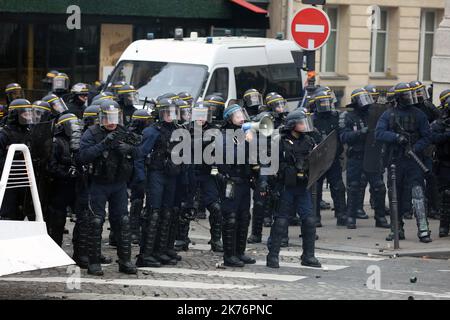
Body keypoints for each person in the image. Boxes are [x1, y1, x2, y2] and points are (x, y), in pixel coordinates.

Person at [79, 100, 138, 275]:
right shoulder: (92, 133)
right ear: (101, 118)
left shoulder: (124, 132)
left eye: (114, 118)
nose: (112, 122)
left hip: (119, 184)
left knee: (123, 221)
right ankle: (94, 262)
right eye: (108, 118)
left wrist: (129, 149)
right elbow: (83, 157)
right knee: (96, 221)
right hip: (99, 184)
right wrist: (104, 143)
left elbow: (140, 152)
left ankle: (125, 261)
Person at [375, 82, 432, 243]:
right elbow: (379, 133)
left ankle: (423, 228)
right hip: (395, 160)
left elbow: (427, 136)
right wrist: (396, 138)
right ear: (399, 98)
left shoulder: (419, 114)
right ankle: (396, 228)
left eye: (410, 94)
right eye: (406, 95)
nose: (410, 98)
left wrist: (415, 148)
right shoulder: (388, 114)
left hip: (414, 160)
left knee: (418, 194)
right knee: (395, 195)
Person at [266, 109, 321, 268]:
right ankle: (273, 256)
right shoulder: (280, 141)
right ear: (292, 125)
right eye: (301, 122)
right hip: (286, 187)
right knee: (282, 221)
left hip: (303, 187)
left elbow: (317, 159)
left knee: (309, 220)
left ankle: (308, 256)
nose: (304, 125)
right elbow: (270, 163)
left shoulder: (309, 140)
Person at [134, 98, 183, 267]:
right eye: (167, 112)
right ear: (160, 113)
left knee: (167, 213)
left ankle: (159, 251)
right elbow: (139, 156)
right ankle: (145, 254)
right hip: (156, 174)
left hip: (171, 175)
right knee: (153, 214)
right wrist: (140, 179)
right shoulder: (152, 131)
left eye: (173, 112)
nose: (170, 115)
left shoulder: (178, 130)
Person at [340, 88, 389, 229]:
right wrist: (359, 133)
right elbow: (343, 137)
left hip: (372, 156)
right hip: (356, 156)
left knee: (379, 187)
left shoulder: (374, 114)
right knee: (354, 187)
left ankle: (380, 218)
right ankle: (351, 217)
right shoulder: (347, 116)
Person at [218, 104, 256, 267]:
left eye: (242, 114)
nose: (241, 117)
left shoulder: (244, 133)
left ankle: (240, 252)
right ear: (229, 119)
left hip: (245, 180)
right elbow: (232, 156)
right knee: (231, 218)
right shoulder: (223, 135)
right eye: (237, 115)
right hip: (230, 181)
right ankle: (229, 255)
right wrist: (246, 142)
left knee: (244, 217)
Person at [311, 89, 347, 226]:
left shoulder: (335, 116)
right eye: (322, 103)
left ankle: (341, 214)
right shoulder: (312, 119)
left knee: (338, 187)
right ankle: (315, 217)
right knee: (316, 189)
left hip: (333, 157)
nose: (325, 105)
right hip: (318, 159)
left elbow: (341, 135)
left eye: (327, 102)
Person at [47, 113, 83, 246]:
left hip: (75, 186)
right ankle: (55, 247)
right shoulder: (56, 142)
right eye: (71, 124)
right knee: (57, 218)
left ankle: (80, 250)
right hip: (60, 186)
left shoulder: (79, 142)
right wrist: (66, 173)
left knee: (82, 218)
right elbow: (51, 166)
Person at [0, 99, 35, 220]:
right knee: (7, 216)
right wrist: (15, 156)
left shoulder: (29, 132)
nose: (29, 116)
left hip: (24, 181)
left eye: (30, 113)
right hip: (7, 183)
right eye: (26, 114)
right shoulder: (4, 134)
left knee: (21, 214)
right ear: (15, 115)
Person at [431, 92, 450, 237]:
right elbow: (432, 137)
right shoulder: (440, 122)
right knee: (446, 196)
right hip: (445, 164)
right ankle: (444, 227)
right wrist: (446, 135)